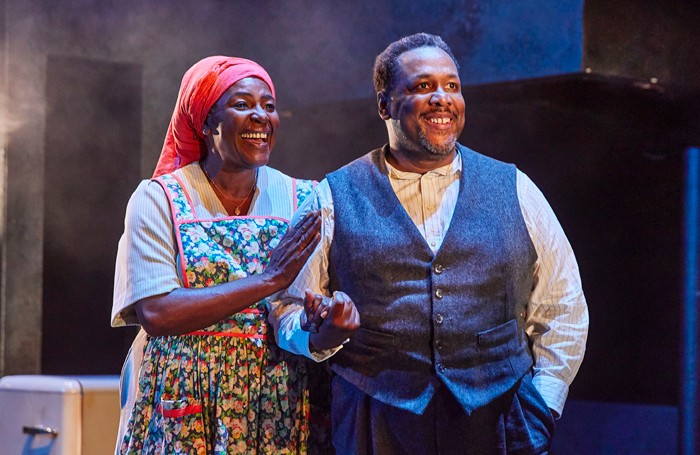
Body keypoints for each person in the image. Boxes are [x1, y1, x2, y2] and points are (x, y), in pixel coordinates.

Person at [275, 33, 589, 455]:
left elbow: (563, 306)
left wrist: (543, 406)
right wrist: (319, 335)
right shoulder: (333, 196)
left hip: (497, 420)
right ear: (385, 105)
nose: (442, 98)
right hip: (377, 418)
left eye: (452, 86)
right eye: (423, 86)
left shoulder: (514, 187)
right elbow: (286, 307)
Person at [111, 56, 336, 454]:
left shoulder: (303, 199)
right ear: (204, 120)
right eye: (242, 104)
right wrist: (268, 280)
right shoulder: (159, 199)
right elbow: (159, 313)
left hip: (276, 401)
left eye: (268, 105)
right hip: (186, 400)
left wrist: (324, 324)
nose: (261, 116)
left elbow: (295, 317)